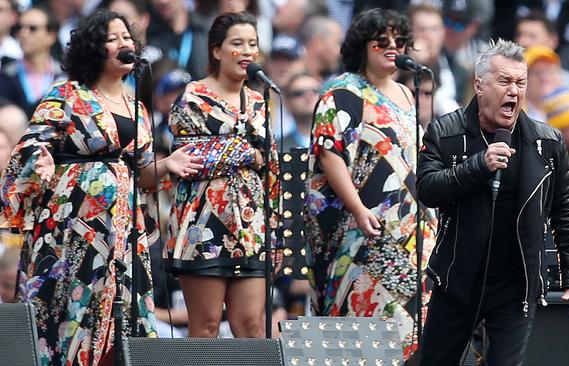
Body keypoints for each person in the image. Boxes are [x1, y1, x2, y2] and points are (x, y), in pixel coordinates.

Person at [0, 9, 202, 366]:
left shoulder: (135, 104)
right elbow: (30, 145)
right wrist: (42, 159)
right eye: (113, 38)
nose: (124, 43)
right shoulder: (67, 95)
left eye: (127, 37)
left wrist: (166, 166)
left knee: (120, 314)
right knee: (73, 311)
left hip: (122, 232)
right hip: (73, 230)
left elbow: (139, 173)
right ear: (94, 48)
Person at [416, 39, 569, 365]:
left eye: (520, 82)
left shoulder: (547, 142)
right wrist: (479, 165)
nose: (514, 91)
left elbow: (566, 210)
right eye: (505, 81)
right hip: (457, 279)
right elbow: (427, 188)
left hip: (515, 285)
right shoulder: (446, 131)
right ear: (480, 85)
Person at [304, 8, 437, 358]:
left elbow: (415, 157)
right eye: (382, 42)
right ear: (363, 46)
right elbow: (329, 153)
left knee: (413, 324)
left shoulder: (408, 95)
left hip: (409, 230)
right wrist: (358, 208)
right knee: (363, 324)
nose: (392, 47)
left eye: (400, 41)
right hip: (363, 226)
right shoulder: (344, 91)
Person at [166, 12, 281, 338]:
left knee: (251, 325)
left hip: (251, 226)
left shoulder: (261, 101)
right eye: (237, 44)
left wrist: (275, 230)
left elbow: (270, 165)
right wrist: (248, 153)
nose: (247, 51)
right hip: (203, 223)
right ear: (216, 51)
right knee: (206, 326)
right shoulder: (193, 97)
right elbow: (192, 158)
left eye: (252, 44)